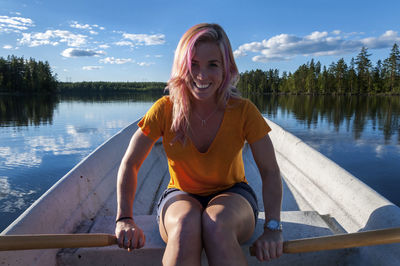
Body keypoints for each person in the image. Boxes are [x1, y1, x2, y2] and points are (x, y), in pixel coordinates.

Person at [115, 23, 283, 265]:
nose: (201, 75)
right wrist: (124, 218)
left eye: (212, 64)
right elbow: (130, 163)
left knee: (217, 224)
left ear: (227, 68)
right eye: (193, 64)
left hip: (234, 194)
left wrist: (273, 228)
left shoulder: (244, 111)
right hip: (179, 194)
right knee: (185, 224)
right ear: (181, 67)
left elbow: (269, 171)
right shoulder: (164, 109)